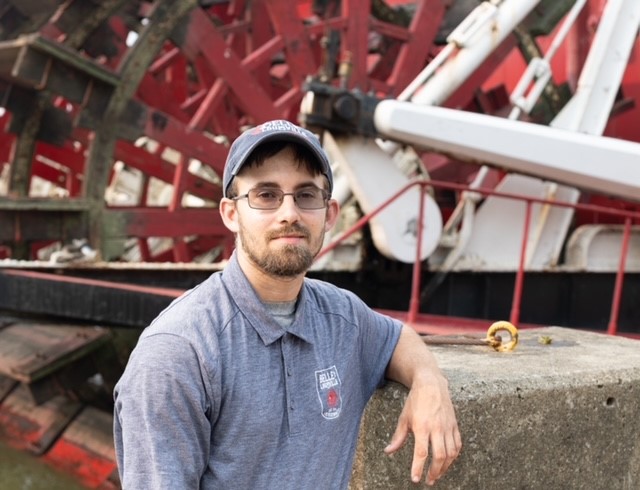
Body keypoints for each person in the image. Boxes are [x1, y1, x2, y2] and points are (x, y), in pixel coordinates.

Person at [113, 119, 461, 489]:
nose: (289, 214)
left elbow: (396, 338)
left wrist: (428, 381)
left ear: (330, 214)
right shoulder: (176, 354)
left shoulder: (341, 317)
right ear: (231, 213)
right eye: (266, 195)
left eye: (306, 195)